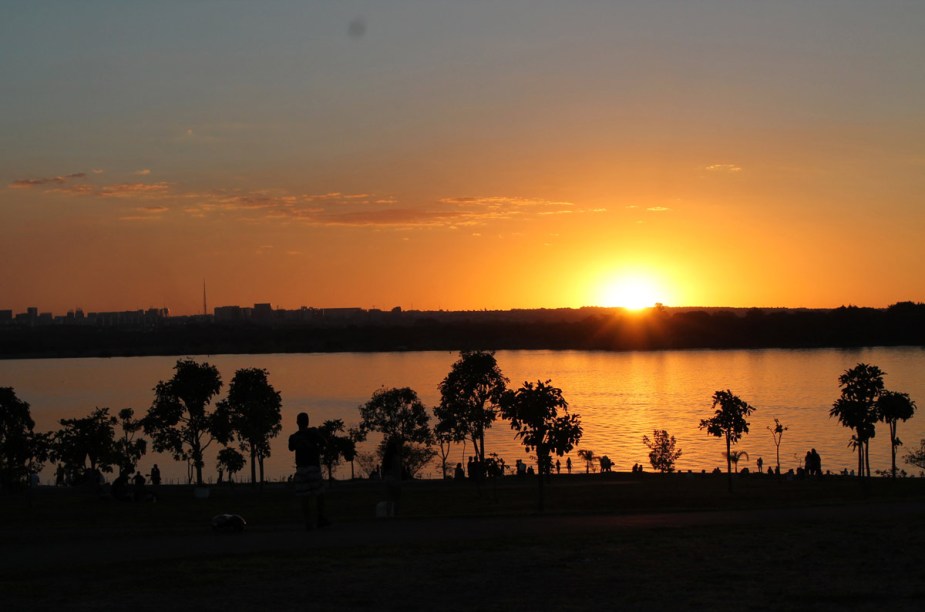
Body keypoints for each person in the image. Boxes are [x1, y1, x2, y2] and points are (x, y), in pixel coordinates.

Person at [288, 411, 330, 530]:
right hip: (313, 467)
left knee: (304, 497)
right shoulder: (313, 433)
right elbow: (324, 442)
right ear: (308, 422)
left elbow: (291, 448)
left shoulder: (294, 437)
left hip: (300, 469)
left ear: (297, 423)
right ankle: (320, 518)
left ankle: (308, 522)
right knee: (319, 494)